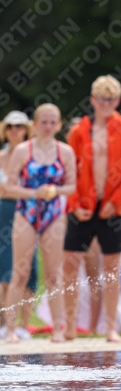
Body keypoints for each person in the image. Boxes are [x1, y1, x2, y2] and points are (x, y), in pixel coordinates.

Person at [63, 75, 121, 342]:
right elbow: (69, 170)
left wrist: (116, 200)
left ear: (118, 101)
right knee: (70, 265)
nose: (106, 103)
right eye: (101, 99)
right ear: (92, 100)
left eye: (110, 99)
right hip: (83, 206)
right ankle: (71, 326)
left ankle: (110, 327)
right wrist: (74, 204)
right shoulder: (79, 131)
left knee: (111, 269)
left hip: (112, 207)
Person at [5, 103, 76, 343]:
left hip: (53, 214)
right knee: (20, 272)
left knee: (54, 274)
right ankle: (11, 329)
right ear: (34, 124)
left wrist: (54, 190)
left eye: (52, 122)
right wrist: (34, 193)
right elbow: (10, 186)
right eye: (43, 122)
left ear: (58, 125)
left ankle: (57, 328)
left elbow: (72, 186)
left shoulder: (65, 152)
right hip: (26, 211)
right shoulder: (23, 150)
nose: (47, 126)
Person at [0, 111, 38, 340]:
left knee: (28, 267)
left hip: (26, 212)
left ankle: (24, 324)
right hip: (4, 213)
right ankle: (5, 322)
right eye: (11, 126)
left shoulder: (32, 156)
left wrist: (14, 191)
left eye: (20, 126)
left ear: (26, 129)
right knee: (4, 268)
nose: (15, 130)